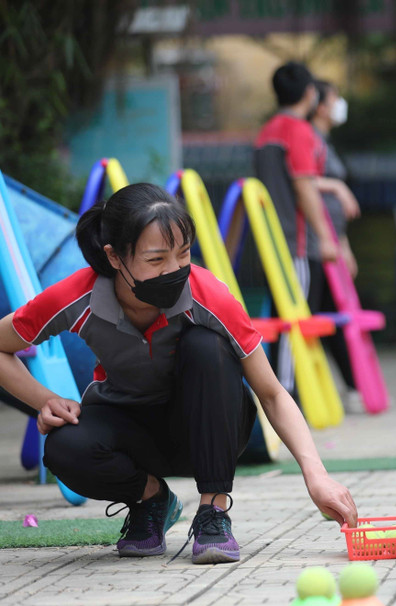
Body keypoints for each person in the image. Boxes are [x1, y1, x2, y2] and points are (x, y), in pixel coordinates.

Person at [0, 184, 358, 564]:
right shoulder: (77, 296)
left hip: (209, 431)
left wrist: (315, 474)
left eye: (183, 254)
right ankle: (151, 499)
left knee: (207, 346)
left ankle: (213, 512)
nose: (174, 270)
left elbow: (271, 393)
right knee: (63, 447)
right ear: (115, 257)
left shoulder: (209, 295)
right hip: (131, 431)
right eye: (156, 260)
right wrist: (44, 399)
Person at [254, 62, 339, 392]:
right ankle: (287, 392)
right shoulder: (298, 130)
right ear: (310, 92)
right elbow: (304, 187)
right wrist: (325, 238)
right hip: (296, 243)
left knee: (281, 317)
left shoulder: (266, 131)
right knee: (294, 321)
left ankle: (284, 388)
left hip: (271, 240)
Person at [308, 79, 362, 411]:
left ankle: (353, 388)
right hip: (314, 245)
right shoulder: (307, 139)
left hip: (329, 242)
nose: (339, 105)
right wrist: (338, 188)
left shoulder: (323, 140)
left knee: (335, 315)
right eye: (334, 99)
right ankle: (304, 393)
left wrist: (342, 243)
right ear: (318, 104)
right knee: (319, 315)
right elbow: (301, 183)